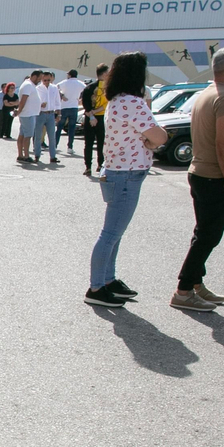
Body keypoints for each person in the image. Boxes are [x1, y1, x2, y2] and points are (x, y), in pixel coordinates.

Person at [168, 46, 224, 312]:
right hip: (215, 176)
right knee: (208, 237)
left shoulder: (207, 92)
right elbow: (223, 141)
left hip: (201, 173)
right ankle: (183, 290)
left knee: (203, 233)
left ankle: (195, 284)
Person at [85, 52, 168, 307]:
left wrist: (149, 138)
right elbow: (160, 137)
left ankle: (107, 280)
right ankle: (97, 287)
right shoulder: (133, 102)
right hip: (126, 175)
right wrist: (152, 139)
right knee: (111, 233)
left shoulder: (118, 101)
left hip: (117, 172)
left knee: (114, 233)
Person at [82, 64, 109, 176]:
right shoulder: (92, 88)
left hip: (96, 117)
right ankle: (92, 166)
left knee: (97, 143)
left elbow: (108, 104)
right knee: (94, 143)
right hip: (96, 117)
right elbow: (86, 103)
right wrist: (92, 115)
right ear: (103, 74)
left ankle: (96, 165)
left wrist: (92, 113)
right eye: (108, 73)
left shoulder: (107, 87)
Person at [15, 70, 42, 162]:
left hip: (28, 114)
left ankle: (20, 155)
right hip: (28, 114)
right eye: (39, 78)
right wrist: (19, 110)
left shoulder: (30, 85)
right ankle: (26, 155)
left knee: (22, 135)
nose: (40, 80)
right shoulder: (28, 85)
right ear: (34, 76)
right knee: (27, 136)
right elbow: (23, 100)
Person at [35, 71, 61, 163]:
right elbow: (34, 102)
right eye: (44, 80)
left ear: (51, 78)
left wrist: (59, 114)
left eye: (48, 80)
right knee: (38, 135)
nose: (46, 82)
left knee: (52, 136)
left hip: (50, 113)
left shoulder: (54, 88)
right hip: (41, 113)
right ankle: (37, 155)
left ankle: (53, 156)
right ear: (42, 79)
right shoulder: (38, 88)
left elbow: (58, 102)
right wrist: (40, 105)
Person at [58, 69, 86, 153]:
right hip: (74, 107)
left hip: (64, 106)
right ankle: (70, 147)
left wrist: (62, 95)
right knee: (72, 128)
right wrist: (81, 98)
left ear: (69, 75)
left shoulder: (65, 82)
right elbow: (87, 90)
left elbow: (56, 88)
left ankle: (55, 145)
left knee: (60, 126)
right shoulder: (80, 83)